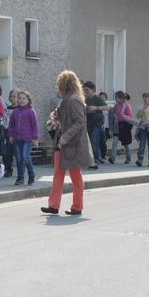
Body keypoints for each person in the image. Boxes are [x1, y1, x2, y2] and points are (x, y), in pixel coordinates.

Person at [42, 71, 94, 215]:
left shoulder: (73, 99)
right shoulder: (68, 99)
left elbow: (79, 122)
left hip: (72, 143)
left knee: (75, 175)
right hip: (63, 142)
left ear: (64, 84)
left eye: (59, 82)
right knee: (58, 173)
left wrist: (65, 137)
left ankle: (77, 207)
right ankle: (53, 205)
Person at [7, 90, 38, 186]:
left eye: (24, 98)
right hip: (17, 139)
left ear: (28, 99)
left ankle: (31, 174)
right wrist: (11, 135)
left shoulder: (31, 111)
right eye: (19, 98)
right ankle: (20, 177)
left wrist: (35, 138)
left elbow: (35, 125)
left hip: (27, 139)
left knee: (25, 156)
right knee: (19, 158)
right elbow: (11, 125)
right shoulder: (15, 112)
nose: (21, 100)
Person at [82, 81, 108, 166]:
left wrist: (95, 107)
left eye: (87, 90)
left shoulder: (97, 98)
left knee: (94, 139)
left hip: (97, 121)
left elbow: (107, 107)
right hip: (88, 121)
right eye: (84, 90)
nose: (85, 92)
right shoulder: (84, 99)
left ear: (93, 90)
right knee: (88, 140)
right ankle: (91, 158)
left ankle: (96, 159)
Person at [109, 91, 133, 164]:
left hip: (124, 125)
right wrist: (114, 114)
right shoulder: (116, 105)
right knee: (115, 141)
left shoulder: (127, 106)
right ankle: (112, 158)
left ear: (121, 98)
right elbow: (114, 112)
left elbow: (130, 116)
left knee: (126, 143)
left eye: (117, 98)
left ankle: (128, 158)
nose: (116, 99)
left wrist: (123, 116)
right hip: (117, 125)